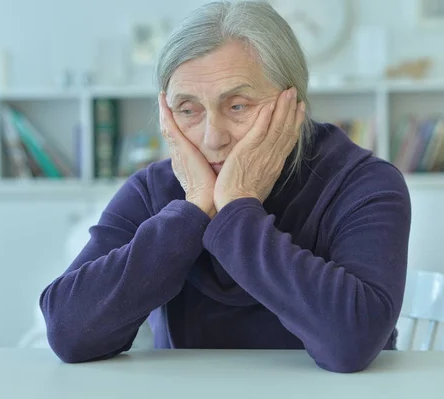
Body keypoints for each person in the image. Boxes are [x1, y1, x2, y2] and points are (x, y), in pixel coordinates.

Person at [39, 0, 411, 373]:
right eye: (188, 109)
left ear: (292, 102)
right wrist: (192, 212)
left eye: (237, 106)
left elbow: (351, 344)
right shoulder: (154, 189)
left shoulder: (364, 184)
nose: (212, 138)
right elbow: (69, 332)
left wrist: (236, 208)